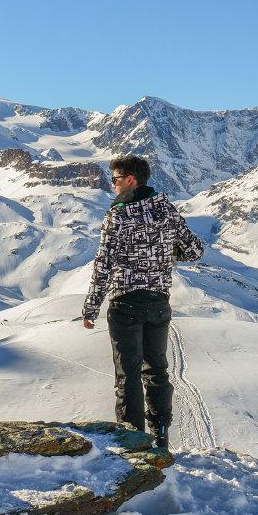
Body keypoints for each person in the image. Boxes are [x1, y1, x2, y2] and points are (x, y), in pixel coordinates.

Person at [82, 155, 206, 450]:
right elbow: (195, 250)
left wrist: (91, 307)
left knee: (128, 373)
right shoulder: (166, 210)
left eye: (114, 180)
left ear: (130, 180)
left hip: (125, 302)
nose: (112, 186)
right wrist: (164, 257)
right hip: (158, 302)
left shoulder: (119, 215)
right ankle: (161, 435)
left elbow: (105, 264)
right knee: (157, 371)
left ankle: (132, 440)